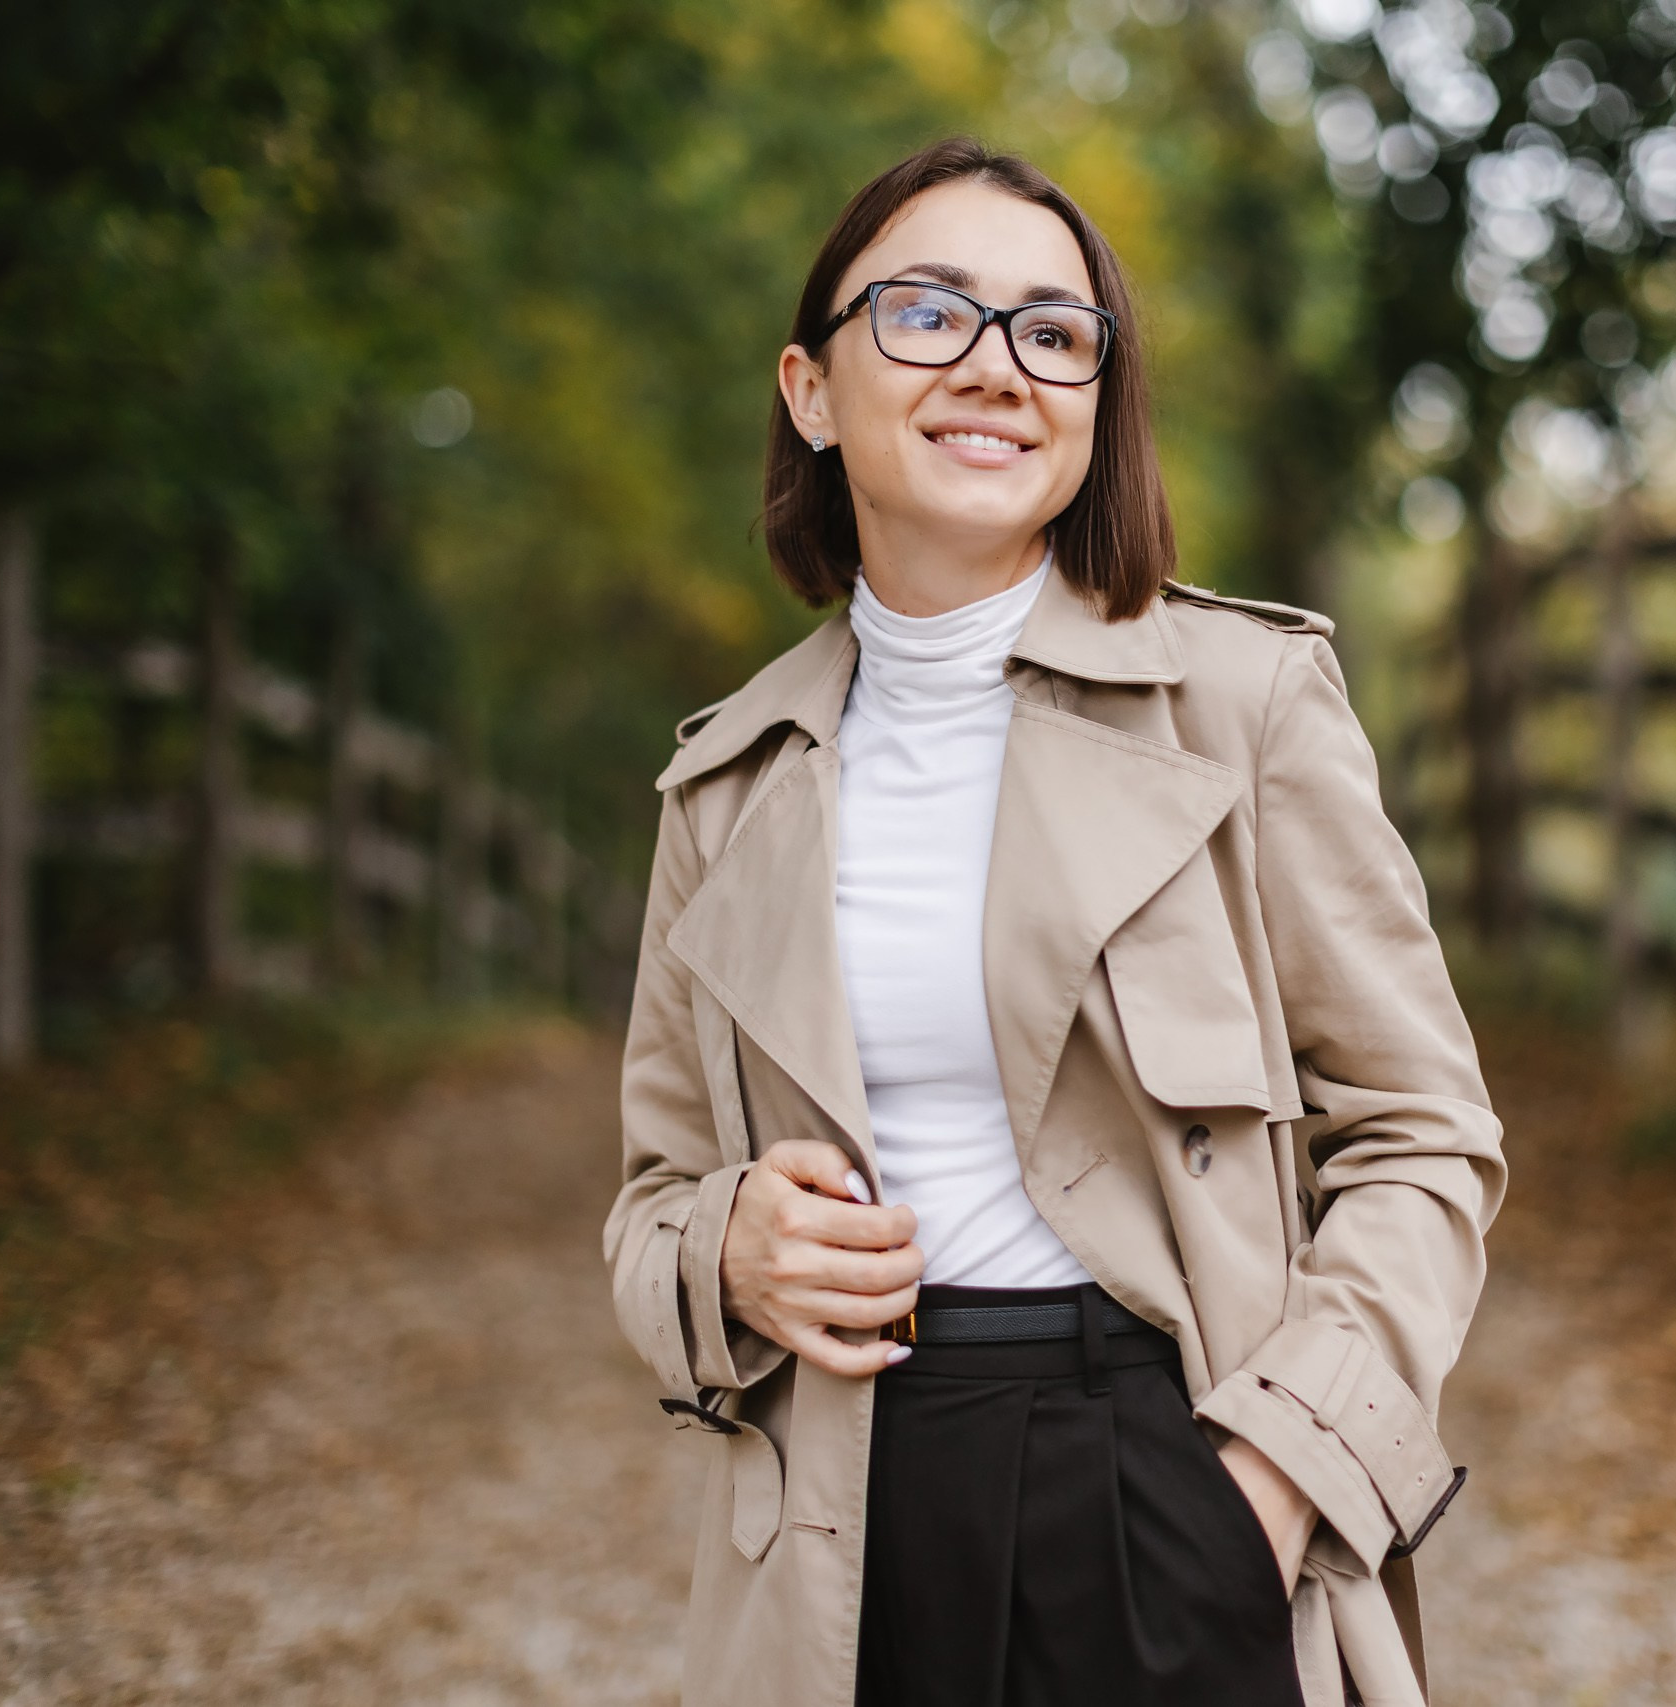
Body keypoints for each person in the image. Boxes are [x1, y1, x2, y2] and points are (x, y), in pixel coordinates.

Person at [605, 136, 1505, 1707]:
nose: (998, 366)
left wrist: (1274, 1472)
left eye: (1053, 331)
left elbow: (1426, 1132)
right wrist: (728, 1250)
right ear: (811, 392)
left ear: (1096, 402)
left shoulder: (1244, 707)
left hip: (1176, 1480)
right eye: (929, 314)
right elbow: (650, 1203)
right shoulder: (724, 786)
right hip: (840, 1522)